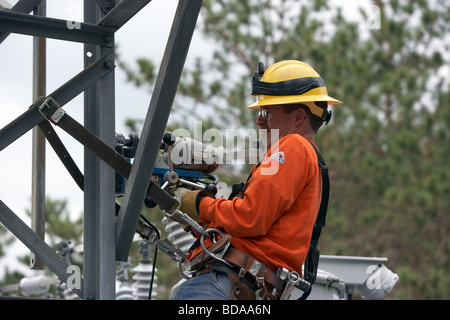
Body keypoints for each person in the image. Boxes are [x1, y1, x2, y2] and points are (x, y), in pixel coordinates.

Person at [169, 60, 342, 300]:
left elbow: (249, 217)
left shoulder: (293, 146)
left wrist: (200, 205)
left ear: (299, 116)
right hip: (244, 286)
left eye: (267, 112)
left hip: (229, 284)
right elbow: (255, 228)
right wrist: (197, 217)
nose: (260, 120)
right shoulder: (304, 157)